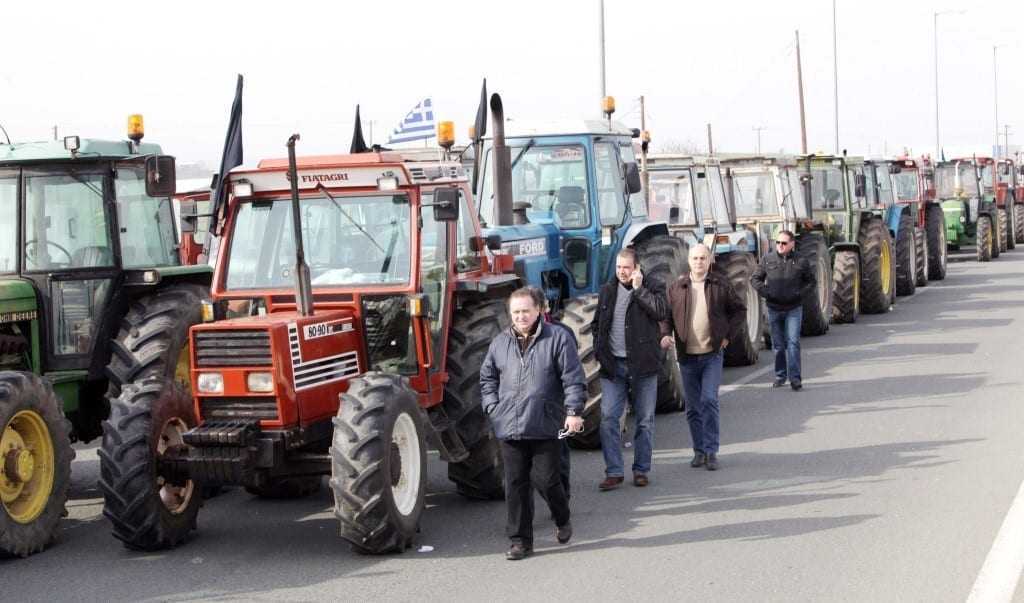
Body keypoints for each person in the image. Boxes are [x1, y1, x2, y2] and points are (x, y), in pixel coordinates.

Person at [479, 287, 586, 560]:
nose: (521, 316)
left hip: (544, 423)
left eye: (526, 310)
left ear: (538, 309)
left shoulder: (558, 338)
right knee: (515, 485)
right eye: (515, 312)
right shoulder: (499, 343)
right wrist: (493, 407)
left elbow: (573, 378)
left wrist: (573, 411)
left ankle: (562, 518)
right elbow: (487, 379)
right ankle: (520, 541)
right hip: (510, 426)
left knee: (548, 480)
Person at [661, 244, 745, 471]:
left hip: (712, 355)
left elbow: (739, 310)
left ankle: (711, 451)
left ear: (709, 261)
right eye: (695, 258)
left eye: (703, 258)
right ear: (689, 261)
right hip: (687, 357)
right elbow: (665, 316)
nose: (699, 262)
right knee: (693, 407)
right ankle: (698, 451)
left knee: (709, 400)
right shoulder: (677, 287)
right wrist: (665, 335)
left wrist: (728, 336)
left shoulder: (720, 285)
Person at [591, 248, 667, 490]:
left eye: (626, 267)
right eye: (618, 267)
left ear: (636, 268)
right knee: (609, 419)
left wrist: (639, 290)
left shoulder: (653, 286)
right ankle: (614, 471)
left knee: (644, 421)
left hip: (643, 365)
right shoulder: (607, 290)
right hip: (613, 366)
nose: (622, 272)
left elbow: (660, 311)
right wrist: (600, 353)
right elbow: (597, 325)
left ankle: (641, 470)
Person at [750, 230, 815, 391]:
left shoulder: (801, 261)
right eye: (778, 243)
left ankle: (795, 379)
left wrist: (799, 294)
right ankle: (780, 376)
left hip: (794, 309)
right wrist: (766, 293)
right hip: (774, 308)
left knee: (793, 343)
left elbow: (811, 282)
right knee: (778, 345)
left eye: (784, 243)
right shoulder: (767, 259)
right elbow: (755, 279)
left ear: (792, 244)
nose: (780, 246)